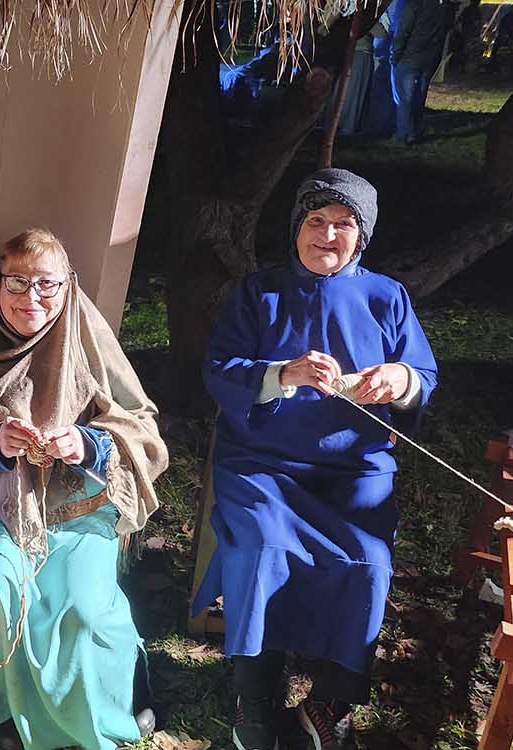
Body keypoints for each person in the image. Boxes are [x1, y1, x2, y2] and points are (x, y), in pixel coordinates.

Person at [192, 169, 437, 750]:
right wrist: (285, 374)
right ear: (296, 227)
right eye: (316, 221)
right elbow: (220, 370)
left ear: (362, 236)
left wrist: (398, 380)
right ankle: (254, 699)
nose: (327, 235)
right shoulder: (258, 293)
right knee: (262, 551)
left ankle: (330, 704)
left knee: (368, 564)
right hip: (262, 466)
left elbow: (423, 376)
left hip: (355, 470)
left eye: (343, 225)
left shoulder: (387, 297)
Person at [0, 229, 168, 750]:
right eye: (17, 282)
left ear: (67, 285)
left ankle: (109, 703)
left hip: (75, 509)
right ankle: (0, 720)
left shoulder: (89, 344)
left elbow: (142, 427)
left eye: (47, 284)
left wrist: (87, 444)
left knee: (81, 608)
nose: (31, 297)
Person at [390, 0, 448, 143]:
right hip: (429, 58)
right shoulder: (443, 7)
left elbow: (403, 30)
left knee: (404, 98)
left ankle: (404, 134)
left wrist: (395, 55)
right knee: (419, 97)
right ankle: (415, 130)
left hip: (410, 56)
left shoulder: (415, 4)